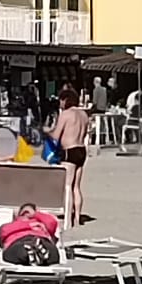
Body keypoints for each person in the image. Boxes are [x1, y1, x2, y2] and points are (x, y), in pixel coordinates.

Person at [49, 84, 91, 227]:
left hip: (69, 150)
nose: (60, 103)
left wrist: (47, 131)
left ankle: (68, 218)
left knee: (67, 185)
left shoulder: (66, 115)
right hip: (81, 149)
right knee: (76, 186)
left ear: (65, 100)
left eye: (61, 100)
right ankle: (77, 217)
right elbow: (85, 133)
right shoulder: (84, 114)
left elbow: (56, 135)